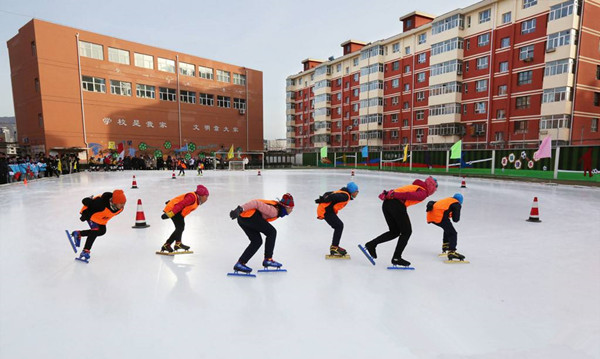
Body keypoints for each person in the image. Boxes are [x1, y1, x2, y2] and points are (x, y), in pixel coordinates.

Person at [362, 176, 438, 267]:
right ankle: (396, 258)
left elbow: (401, 192)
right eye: (435, 188)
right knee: (407, 232)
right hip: (396, 204)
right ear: (431, 187)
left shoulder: (416, 187)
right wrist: (394, 195)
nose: (434, 191)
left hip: (387, 204)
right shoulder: (423, 192)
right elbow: (409, 195)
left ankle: (371, 244)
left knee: (394, 232)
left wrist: (391, 195)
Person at [229, 193, 294, 274]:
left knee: (257, 241)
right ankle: (268, 259)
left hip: (242, 219)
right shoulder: (273, 211)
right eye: (291, 208)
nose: (292, 210)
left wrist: (240, 211)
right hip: (250, 217)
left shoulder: (277, 208)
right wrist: (240, 209)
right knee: (272, 232)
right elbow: (256, 203)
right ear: (286, 207)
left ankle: (240, 263)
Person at [70, 190, 127, 262]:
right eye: (121, 203)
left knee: (102, 231)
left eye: (124, 203)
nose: (123, 205)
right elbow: (85, 201)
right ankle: (85, 251)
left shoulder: (120, 209)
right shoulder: (100, 204)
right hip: (89, 214)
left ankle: (78, 234)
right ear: (114, 202)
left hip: (99, 218)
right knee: (95, 230)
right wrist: (85, 214)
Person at [159, 185, 210, 253]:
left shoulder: (196, 200)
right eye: (206, 196)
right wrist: (171, 213)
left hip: (177, 211)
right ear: (201, 195)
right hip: (174, 210)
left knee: (179, 228)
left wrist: (172, 201)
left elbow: (181, 200)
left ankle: (167, 245)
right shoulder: (192, 197)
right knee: (180, 227)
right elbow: (181, 204)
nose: (207, 199)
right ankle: (178, 243)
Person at [315, 182, 359, 256]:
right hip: (326, 211)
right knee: (339, 226)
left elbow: (327, 193)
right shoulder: (345, 196)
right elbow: (333, 196)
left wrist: (323, 199)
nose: (357, 194)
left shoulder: (344, 193)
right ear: (352, 191)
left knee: (339, 226)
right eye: (356, 192)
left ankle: (334, 247)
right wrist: (322, 200)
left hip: (327, 210)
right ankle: (334, 247)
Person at [426, 193, 465, 261]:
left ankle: (446, 245)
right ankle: (452, 251)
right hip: (439, 217)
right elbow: (455, 219)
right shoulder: (456, 204)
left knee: (447, 228)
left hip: (430, 216)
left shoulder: (448, 200)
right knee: (453, 233)